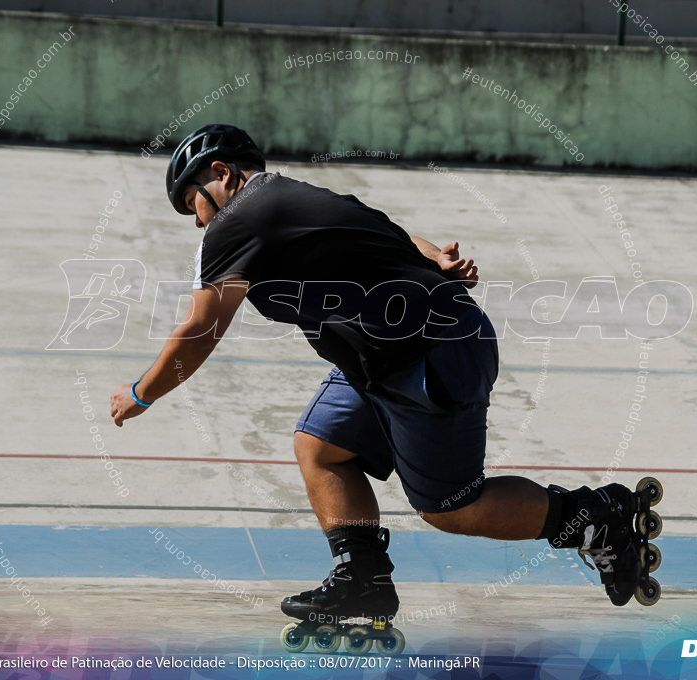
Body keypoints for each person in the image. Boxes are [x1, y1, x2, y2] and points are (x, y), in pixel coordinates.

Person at [109, 124, 657, 627]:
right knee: (320, 447)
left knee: (452, 507)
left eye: (193, 203)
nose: (198, 221)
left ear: (222, 175)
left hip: (432, 354)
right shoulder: (291, 199)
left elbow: (202, 327)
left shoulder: (239, 220)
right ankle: (362, 582)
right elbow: (389, 231)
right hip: (378, 364)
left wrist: (143, 393)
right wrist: (435, 259)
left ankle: (593, 516)